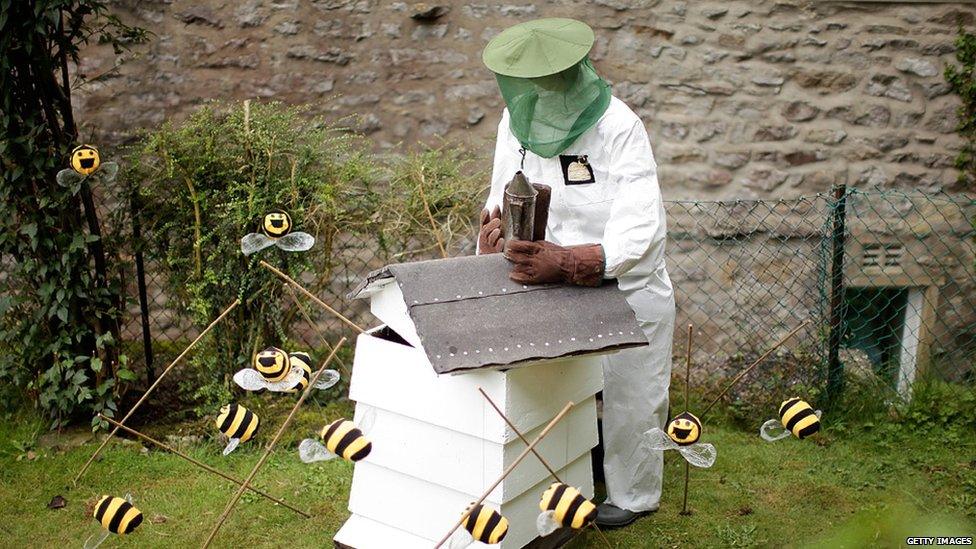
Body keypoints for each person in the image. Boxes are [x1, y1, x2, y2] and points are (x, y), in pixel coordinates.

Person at [477, 18, 676, 528]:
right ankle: (572, 476)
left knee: (632, 395)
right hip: (547, 289)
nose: (542, 93)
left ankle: (633, 496)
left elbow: (641, 230)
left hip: (626, 286)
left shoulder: (619, 126)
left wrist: (567, 261)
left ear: (574, 73)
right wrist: (493, 231)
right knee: (553, 389)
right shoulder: (515, 119)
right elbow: (504, 188)